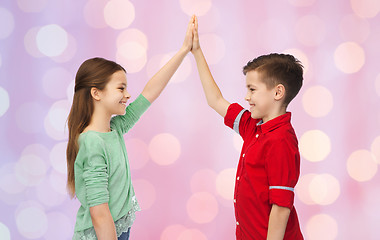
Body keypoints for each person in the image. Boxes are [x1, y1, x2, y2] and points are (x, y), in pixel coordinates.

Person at [66, 16, 195, 240]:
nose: (128, 95)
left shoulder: (115, 128)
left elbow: (150, 92)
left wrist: (184, 50)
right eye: (121, 88)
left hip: (116, 230)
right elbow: (99, 214)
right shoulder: (92, 143)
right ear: (96, 93)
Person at [191, 16, 304, 240]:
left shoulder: (280, 141)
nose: (246, 97)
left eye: (252, 89)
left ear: (277, 92)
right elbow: (215, 100)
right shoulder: (253, 126)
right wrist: (197, 52)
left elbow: (281, 208)